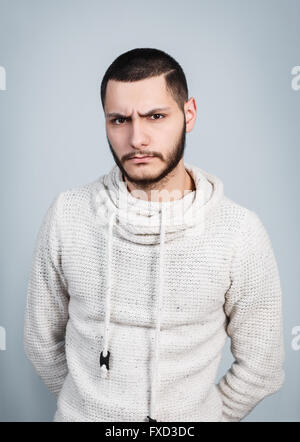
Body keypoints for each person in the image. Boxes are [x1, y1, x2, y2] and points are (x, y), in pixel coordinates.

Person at [23, 48, 285, 422]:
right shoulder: (68, 214)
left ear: (188, 114)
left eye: (156, 116)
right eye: (119, 120)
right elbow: (40, 343)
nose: (137, 137)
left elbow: (262, 366)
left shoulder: (239, 233)